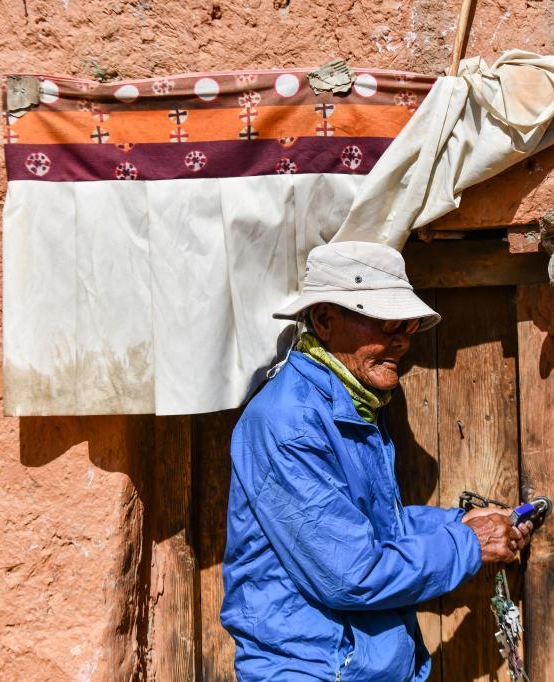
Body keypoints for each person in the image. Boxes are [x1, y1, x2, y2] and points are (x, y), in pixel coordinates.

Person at [221, 241, 533, 681]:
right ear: (324, 320)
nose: (402, 340)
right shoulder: (289, 422)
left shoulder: (352, 403)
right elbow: (352, 574)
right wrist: (468, 544)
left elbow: (369, 527)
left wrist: (459, 523)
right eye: (388, 323)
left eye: (408, 325)